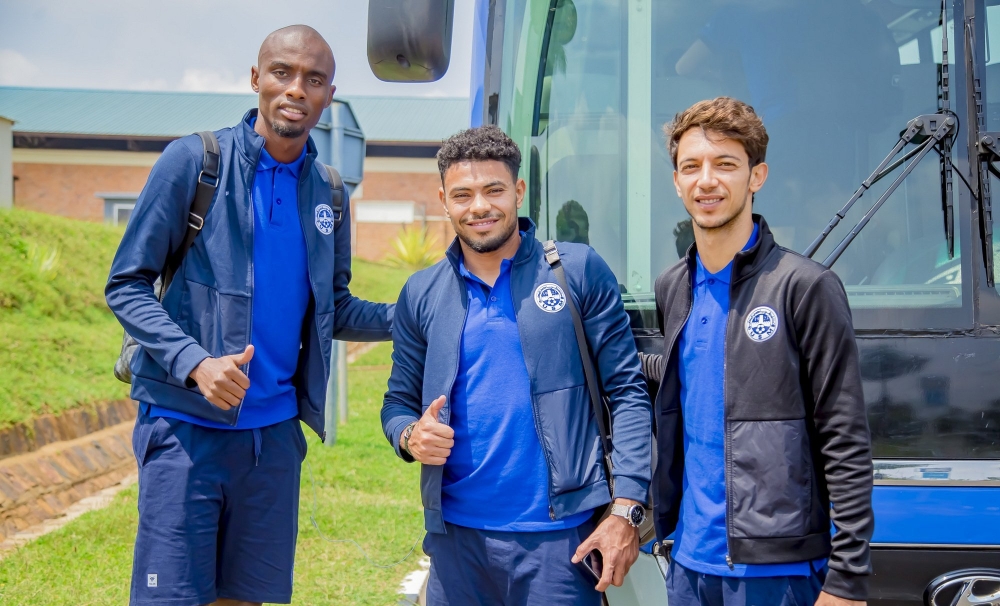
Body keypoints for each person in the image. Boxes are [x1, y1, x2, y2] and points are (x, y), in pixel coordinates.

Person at [105, 25, 393, 606]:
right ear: (256, 78)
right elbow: (127, 285)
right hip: (184, 429)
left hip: (273, 442)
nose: (296, 89)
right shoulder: (195, 162)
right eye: (282, 73)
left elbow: (333, 308)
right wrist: (195, 364)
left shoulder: (330, 194)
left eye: (313, 79)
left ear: (329, 95)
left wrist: (420, 312)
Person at [380, 125, 652, 605]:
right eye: (462, 195)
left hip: (562, 545)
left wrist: (626, 508)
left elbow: (628, 392)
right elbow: (398, 402)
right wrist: (409, 435)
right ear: (443, 201)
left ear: (519, 191)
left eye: (494, 190)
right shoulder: (421, 292)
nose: (479, 207)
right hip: (456, 545)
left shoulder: (577, 271)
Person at [641, 97, 874, 606]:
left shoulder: (805, 287)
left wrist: (848, 579)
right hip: (688, 565)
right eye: (691, 167)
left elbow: (845, 436)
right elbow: (694, 375)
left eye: (725, 164)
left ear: (757, 176)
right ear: (677, 181)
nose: (706, 181)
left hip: (777, 570)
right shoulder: (671, 287)